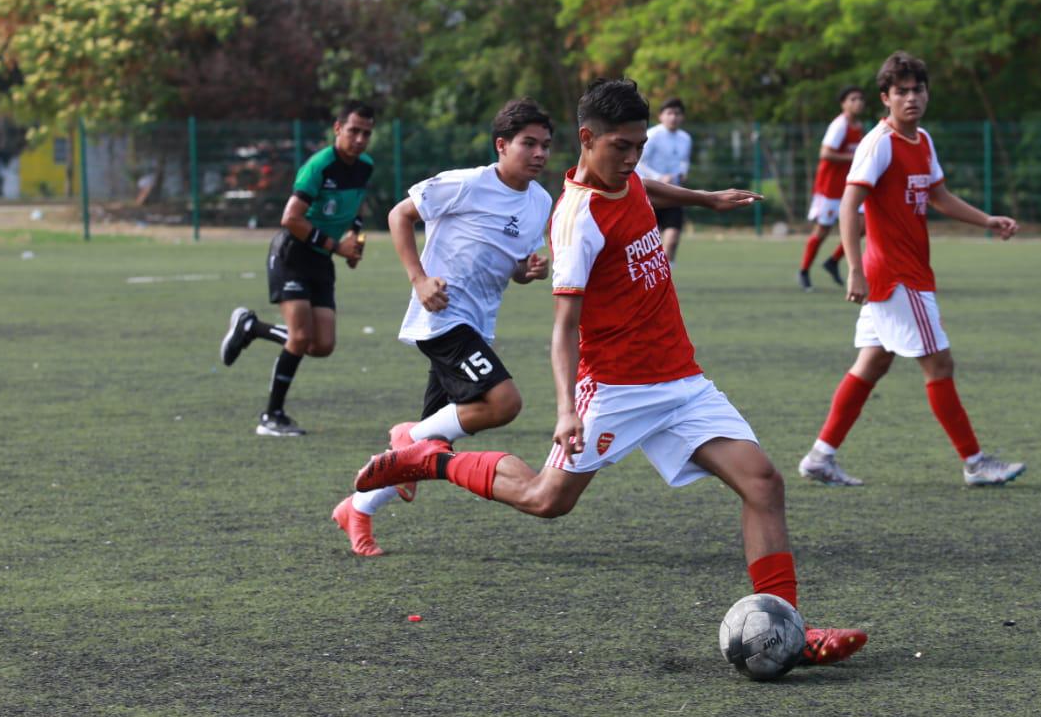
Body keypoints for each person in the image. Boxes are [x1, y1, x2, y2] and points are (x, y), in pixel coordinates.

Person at [351, 79, 867, 666]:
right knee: (548, 500)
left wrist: (705, 199)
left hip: (681, 382)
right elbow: (564, 326)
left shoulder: (629, 179)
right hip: (614, 388)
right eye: (620, 146)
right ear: (587, 139)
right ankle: (432, 458)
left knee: (764, 484)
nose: (632, 157)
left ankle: (788, 632)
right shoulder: (577, 220)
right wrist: (568, 408)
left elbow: (647, 187)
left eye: (639, 144)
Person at [332, 99, 556, 555]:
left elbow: (511, 263)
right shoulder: (467, 183)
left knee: (430, 449)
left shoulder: (540, 201)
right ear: (501, 145)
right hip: (443, 316)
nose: (539, 153)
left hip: (478, 324)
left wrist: (525, 271)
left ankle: (357, 508)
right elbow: (399, 215)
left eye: (546, 146)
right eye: (528, 143)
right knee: (504, 402)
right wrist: (418, 280)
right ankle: (406, 436)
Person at [797, 52, 1026, 489]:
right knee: (939, 364)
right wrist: (854, 269)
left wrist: (986, 219)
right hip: (897, 275)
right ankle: (975, 463)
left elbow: (938, 196)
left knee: (872, 363)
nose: (911, 98)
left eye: (917, 89)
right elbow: (849, 205)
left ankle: (820, 457)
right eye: (900, 91)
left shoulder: (921, 140)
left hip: (906, 271)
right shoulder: (879, 142)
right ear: (885, 98)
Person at [218, 101, 375, 437]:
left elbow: (357, 208)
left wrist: (355, 241)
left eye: (366, 133)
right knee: (301, 337)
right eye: (354, 131)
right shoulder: (319, 166)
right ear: (337, 129)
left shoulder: (365, 166)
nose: (360, 139)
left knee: (323, 345)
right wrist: (337, 246)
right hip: (292, 255)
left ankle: (252, 328)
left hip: (320, 260)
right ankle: (271, 416)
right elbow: (290, 219)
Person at [798, 86, 868, 291]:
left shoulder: (858, 126)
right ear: (844, 103)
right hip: (829, 188)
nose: (858, 102)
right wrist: (855, 157)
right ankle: (804, 270)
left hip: (848, 187)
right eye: (853, 99)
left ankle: (833, 260)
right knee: (822, 231)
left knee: (863, 226)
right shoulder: (839, 125)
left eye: (861, 99)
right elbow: (825, 154)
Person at [634, 97, 691, 263]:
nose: (673, 117)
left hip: (673, 194)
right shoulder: (651, 135)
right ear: (661, 116)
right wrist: (658, 178)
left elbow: (684, 160)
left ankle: (666, 283)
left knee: (672, 241)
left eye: (677, 113)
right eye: (669, 113)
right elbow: (640, 162)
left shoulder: (685, 138)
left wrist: (683, 172)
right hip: (650, 194)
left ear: (682, 117)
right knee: (645, 245)